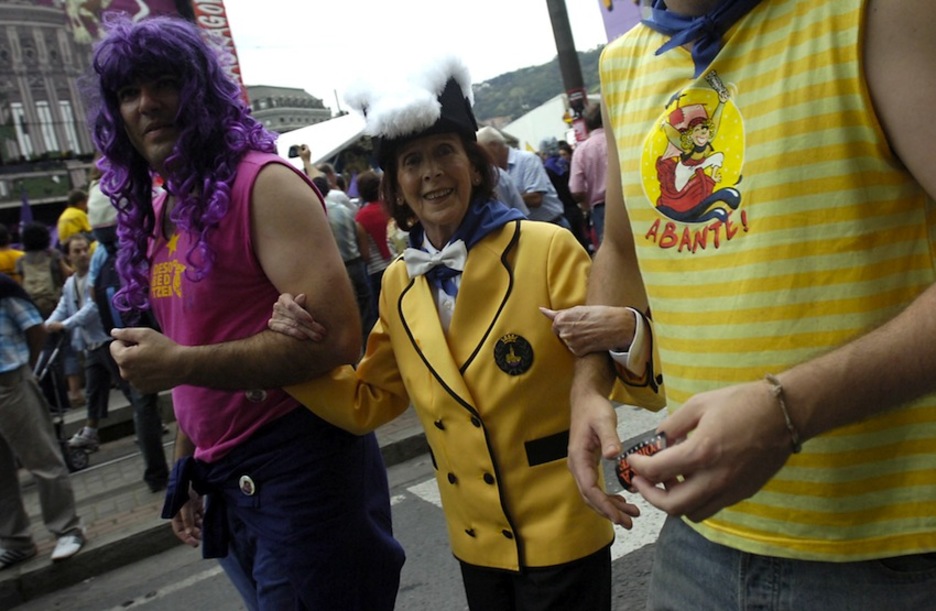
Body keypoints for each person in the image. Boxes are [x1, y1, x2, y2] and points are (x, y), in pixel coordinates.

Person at [568, 1, 936, 609]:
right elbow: (620, 249)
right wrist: (589, 385)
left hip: (888, 550)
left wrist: (786, 411)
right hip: (696, 542)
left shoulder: (877, 12)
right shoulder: (623, 62)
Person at [269, 56, 633, 611]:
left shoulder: (545, 248)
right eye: (412, 161)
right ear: (396, 186)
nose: (431, 172)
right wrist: (280, 358)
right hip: (477, 542)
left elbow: (617, 360)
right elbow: (368, 400)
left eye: (445, 152)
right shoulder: (397, 283)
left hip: (564, 526)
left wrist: (625, 336)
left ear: (476, 166)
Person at [88, 16, 403, 610]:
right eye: (128, 92)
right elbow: (194, 349)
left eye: (163, 83)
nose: (147, 104)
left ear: (201, 91)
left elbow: (338, 338)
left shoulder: (263, 186)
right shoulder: (162, 213)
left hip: (300, 470)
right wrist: (188, 464)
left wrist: (178, 363)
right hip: (226, 481)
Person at [85, 177, 169, 492]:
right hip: (153, 317)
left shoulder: (101, 254)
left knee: (143, 403)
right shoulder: (141, 234)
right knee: (194, 381)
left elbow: (95, 291)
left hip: (125, 326)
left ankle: (156, 476)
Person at [0, 273, 85, 570]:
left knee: (41, 458)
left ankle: (68, 529)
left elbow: (34, 327)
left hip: (10, 380)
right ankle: (15, 541)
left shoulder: (3, 287)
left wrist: (27, 366)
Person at [44, 234, 116, 452]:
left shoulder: (96, 279)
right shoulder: (70, 283)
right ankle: (91, 432)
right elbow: (64, 305)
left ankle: (151, 421)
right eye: (77, 251)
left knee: (127, 386)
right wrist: (49, 323)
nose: (83, 254)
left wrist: (65, 324)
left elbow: (92, 309)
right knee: (94, 391)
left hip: (105, 340)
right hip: (91, 345)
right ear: (68, 256)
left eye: (85, 249)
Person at [15, 222, 78, 409]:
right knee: (67, 348)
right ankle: (74, 392)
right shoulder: (54, 255)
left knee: (46, 349)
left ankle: (47, 390)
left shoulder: (21, 260)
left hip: (34, 309)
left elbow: (21, 285)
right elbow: (66, 275)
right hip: (55, 305)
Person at [312, 174, 373, 340]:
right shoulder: (345, 210)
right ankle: (370, 343)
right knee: (366, 304)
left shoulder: (315, 216)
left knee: (346, 310)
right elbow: (359, 233)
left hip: (336, 269)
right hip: (356, 263)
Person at [476, 126, 569, 228]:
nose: (480, 156)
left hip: (553, 225)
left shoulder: (527, 160)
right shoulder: (495, 172)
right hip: (532, 230)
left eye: (482, 151)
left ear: (494, 145)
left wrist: (504, 202)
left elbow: (536, 198)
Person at [354, 169, 393, 329]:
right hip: (400, 261)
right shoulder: (391, 207)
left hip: (377, 271)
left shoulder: (361, 218)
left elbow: (365, 254)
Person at [540, 137, 591, 251]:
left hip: (563, 212)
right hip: (575, 207)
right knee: (583, 242)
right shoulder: (566, 163)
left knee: (572, 247)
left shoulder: (546, 170)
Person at [568, 103, 607, 248]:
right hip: (631, 202)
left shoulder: (581, 150)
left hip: (600, 210)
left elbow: (576, 189)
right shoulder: (619, 141)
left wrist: (586, 203)